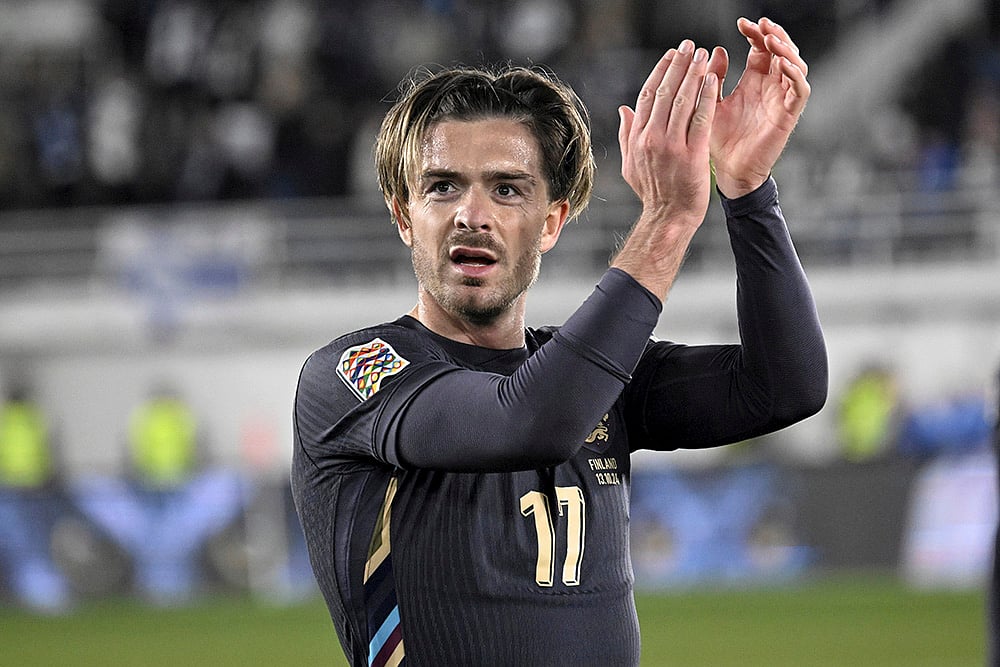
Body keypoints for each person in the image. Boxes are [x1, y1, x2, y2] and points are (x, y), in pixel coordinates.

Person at [292, 16, 827, 666]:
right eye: (442, 186)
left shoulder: (592, 379)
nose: (472, 212)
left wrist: (746, 190)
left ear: (552, 223)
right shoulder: (353, 375)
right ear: (405, 216)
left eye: (507, 188)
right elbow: (528, 421)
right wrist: (666, 220)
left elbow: (784, 387)